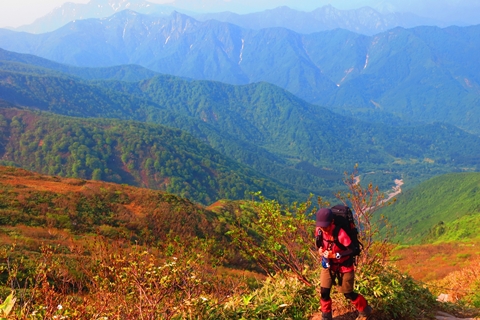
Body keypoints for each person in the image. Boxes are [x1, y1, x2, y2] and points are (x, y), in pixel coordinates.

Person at [315, 208, 373, 320]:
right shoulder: (319, 230)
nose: (324, 229)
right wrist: (320, 250)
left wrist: (336, 255)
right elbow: (319, 243)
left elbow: (353, 250)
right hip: (328, 265)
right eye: (322, 226)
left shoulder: (340, 234)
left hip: (344, 266)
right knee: (324, 292)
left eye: (326, 226)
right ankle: (326, 317)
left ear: (332, 222)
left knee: (348, 293)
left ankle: (365, 309)